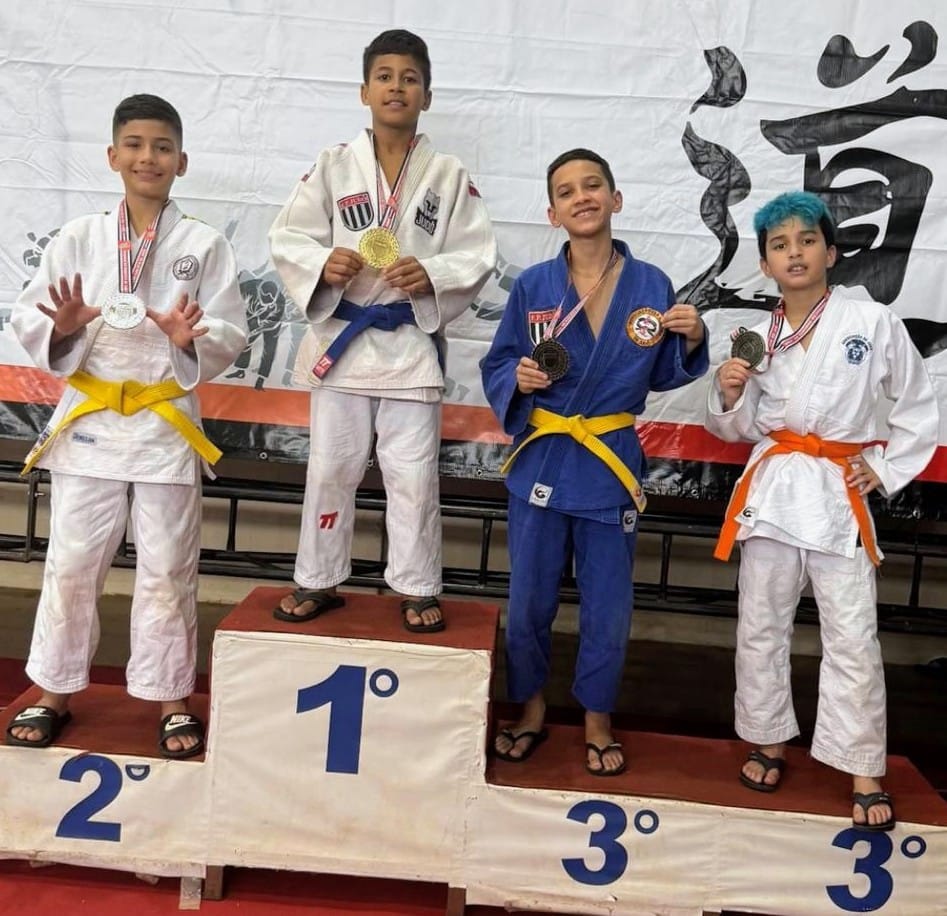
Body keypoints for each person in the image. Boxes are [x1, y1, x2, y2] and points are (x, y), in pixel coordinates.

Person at [6, 94, 248, 758]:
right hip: (90, 424)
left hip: (164, 425)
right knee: (71, 565)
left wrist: (190, 339)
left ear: (181, 161)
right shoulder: (81, 237)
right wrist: (62, 330)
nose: (149, 157)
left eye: (162, 147)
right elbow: (31, 315)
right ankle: (53, 690)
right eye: (136, 145)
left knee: (169, 568)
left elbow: (229, 330)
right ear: (113, 156)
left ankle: (171, 697)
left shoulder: (204, 244)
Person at [706, 190, 939, 830]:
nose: (795, 253)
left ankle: (862, 765)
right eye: (780, 245)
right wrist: (728, 393)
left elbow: (918, 403)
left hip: (837, 488)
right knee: (762, 623)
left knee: (852, 633)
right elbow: (737, 429)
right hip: (776, 490)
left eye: (807, 241)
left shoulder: (872, 323)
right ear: (765, 264)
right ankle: (767, 738)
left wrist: (885, 467)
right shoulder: (756, 338)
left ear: (831, 252)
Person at [481, 149, 708, 775]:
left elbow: (664, 371)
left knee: (608, 605)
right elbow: (499, 361)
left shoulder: (651, 285)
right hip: (545, 458)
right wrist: (518, 377)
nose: (581, 196)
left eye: (592, 185)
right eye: (566, 191)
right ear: (552, 213)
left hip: (609, 463)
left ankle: (597, 717)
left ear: (615, 198)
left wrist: (691, 338)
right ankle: (529, 707)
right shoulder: (533, 285)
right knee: (529, 599)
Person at [269, 29, 496, 633]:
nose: (397, 87)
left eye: (410, 79)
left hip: (408, 346)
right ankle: (317, 577)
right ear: (365, 90)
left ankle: (417, 584)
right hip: (343, 344)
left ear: (427, 95)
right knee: (331, 468)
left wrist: (432, 273)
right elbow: (289, 236)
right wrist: (324, 263)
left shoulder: (447, 174)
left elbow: (476, 252)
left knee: (412, 474)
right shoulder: (333, 165)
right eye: (386, 77)